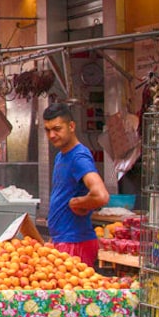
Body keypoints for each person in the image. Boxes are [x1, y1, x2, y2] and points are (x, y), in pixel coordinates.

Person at [43, 103, 109, 267]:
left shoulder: (78, 157)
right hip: (62, 240)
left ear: (71, 126)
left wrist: (77, 203)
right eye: (47, 130)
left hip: (76, 243)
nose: (52, 135)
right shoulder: (61, 156)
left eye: (57, 128)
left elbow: (101, 195)